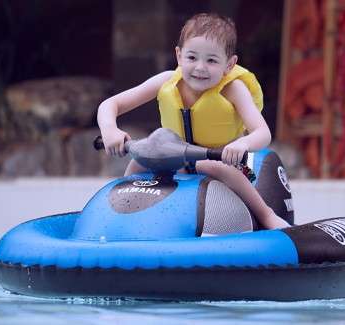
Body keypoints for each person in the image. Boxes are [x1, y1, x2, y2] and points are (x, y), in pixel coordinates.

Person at [97, 13, 290, 229]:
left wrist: (241, 144)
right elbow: (110, 105)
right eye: (192, 57)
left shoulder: (233, 89)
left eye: (211, 60)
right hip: (173, 158)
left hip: (222, 159)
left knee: (217, 168)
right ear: (179, 56)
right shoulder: (166, 81)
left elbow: (263, 133)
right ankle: (124, 217)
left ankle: (266, 215)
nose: (200, 67)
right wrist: (110, 130)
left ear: (229, 64)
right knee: (137, 163)